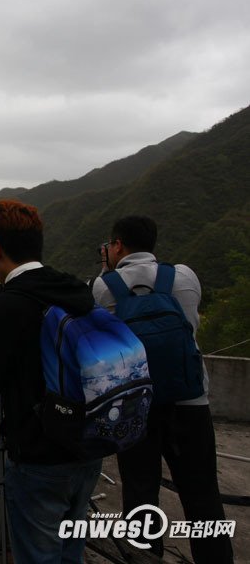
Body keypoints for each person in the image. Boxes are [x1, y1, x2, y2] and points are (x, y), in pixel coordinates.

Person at [92, 215, 233, 563]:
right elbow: (192, 326)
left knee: (140, 496)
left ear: (118, 245)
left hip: (135, 405)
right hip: (190, 401)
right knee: (203, 495)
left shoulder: (103, 286)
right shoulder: (183, 277)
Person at [0, 199, 101, 564]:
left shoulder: (9, 306)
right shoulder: (78, 291)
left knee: (38, 556)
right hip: (88, 447)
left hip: (40, 459)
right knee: (70, 551)